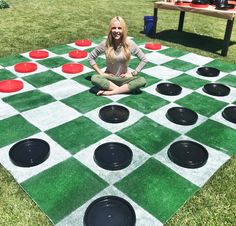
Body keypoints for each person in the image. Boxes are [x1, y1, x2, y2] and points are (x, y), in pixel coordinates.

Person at [88, 16, 147, 96]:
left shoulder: (129, 43)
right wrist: (101, 73)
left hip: (125, 79)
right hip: (109, 78)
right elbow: (90, 57)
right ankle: (124, 90)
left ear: (123, 30)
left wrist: (133, 73)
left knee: (142, 80)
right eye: (113, 28)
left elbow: (144, 59)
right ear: (110, 30)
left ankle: (112, 91)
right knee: (94, 78)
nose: (116, 31)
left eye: (119, 28)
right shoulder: (105, 43)